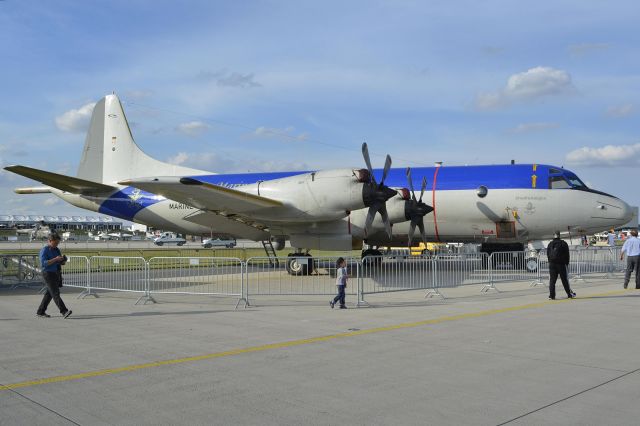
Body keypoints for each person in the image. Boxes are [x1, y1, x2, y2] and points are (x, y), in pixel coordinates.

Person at [36, 232, 72, 318]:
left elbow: (60, 262)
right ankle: (64, 311)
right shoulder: (44, 250)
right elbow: (44, 263)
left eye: (58, 243)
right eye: (55, 243)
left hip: (55, 273)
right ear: (50, 241)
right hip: (47, 273)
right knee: (55, 293)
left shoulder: (57, 250)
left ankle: (40, 311)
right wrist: (55, 259)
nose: (56, 244)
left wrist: (63, 260)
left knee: (49, 294)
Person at [547, 231, 576, 300]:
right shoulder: (563, 243)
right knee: (564, 280)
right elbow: (567, 254)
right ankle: (569, 294)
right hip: (561, 264)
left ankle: (552, 296)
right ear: (559, 236)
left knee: (552, 281)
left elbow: (548, 254)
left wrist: (550, 262)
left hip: (552, 264)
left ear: (553, 236)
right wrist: (567, 263)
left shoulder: (550, 244)